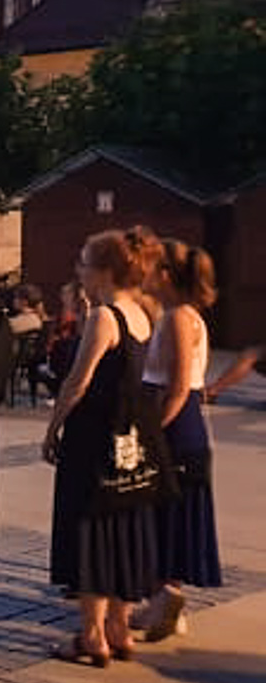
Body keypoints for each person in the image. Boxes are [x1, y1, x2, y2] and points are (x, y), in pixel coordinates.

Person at [43, 227, 173, 666]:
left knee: (91, 532)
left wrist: (52, 427)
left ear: (102, 270)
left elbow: (78, 381)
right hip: (130, 440)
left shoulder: (105, 317)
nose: (78, 268)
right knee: (124, 530)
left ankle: (92, 634)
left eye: (83, 260)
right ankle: (120, 627)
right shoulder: (143, 313)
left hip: (93, 440)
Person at [133, 240, 221, 641]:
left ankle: (166, 599)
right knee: (168, 514)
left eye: (151, 268)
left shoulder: (178, 319)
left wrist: (152, 434)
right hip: (180, 422)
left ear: (166, 274)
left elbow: (180, 384)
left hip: (175, 424)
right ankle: (163, 602)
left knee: (164, 513)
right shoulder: (180, 315)